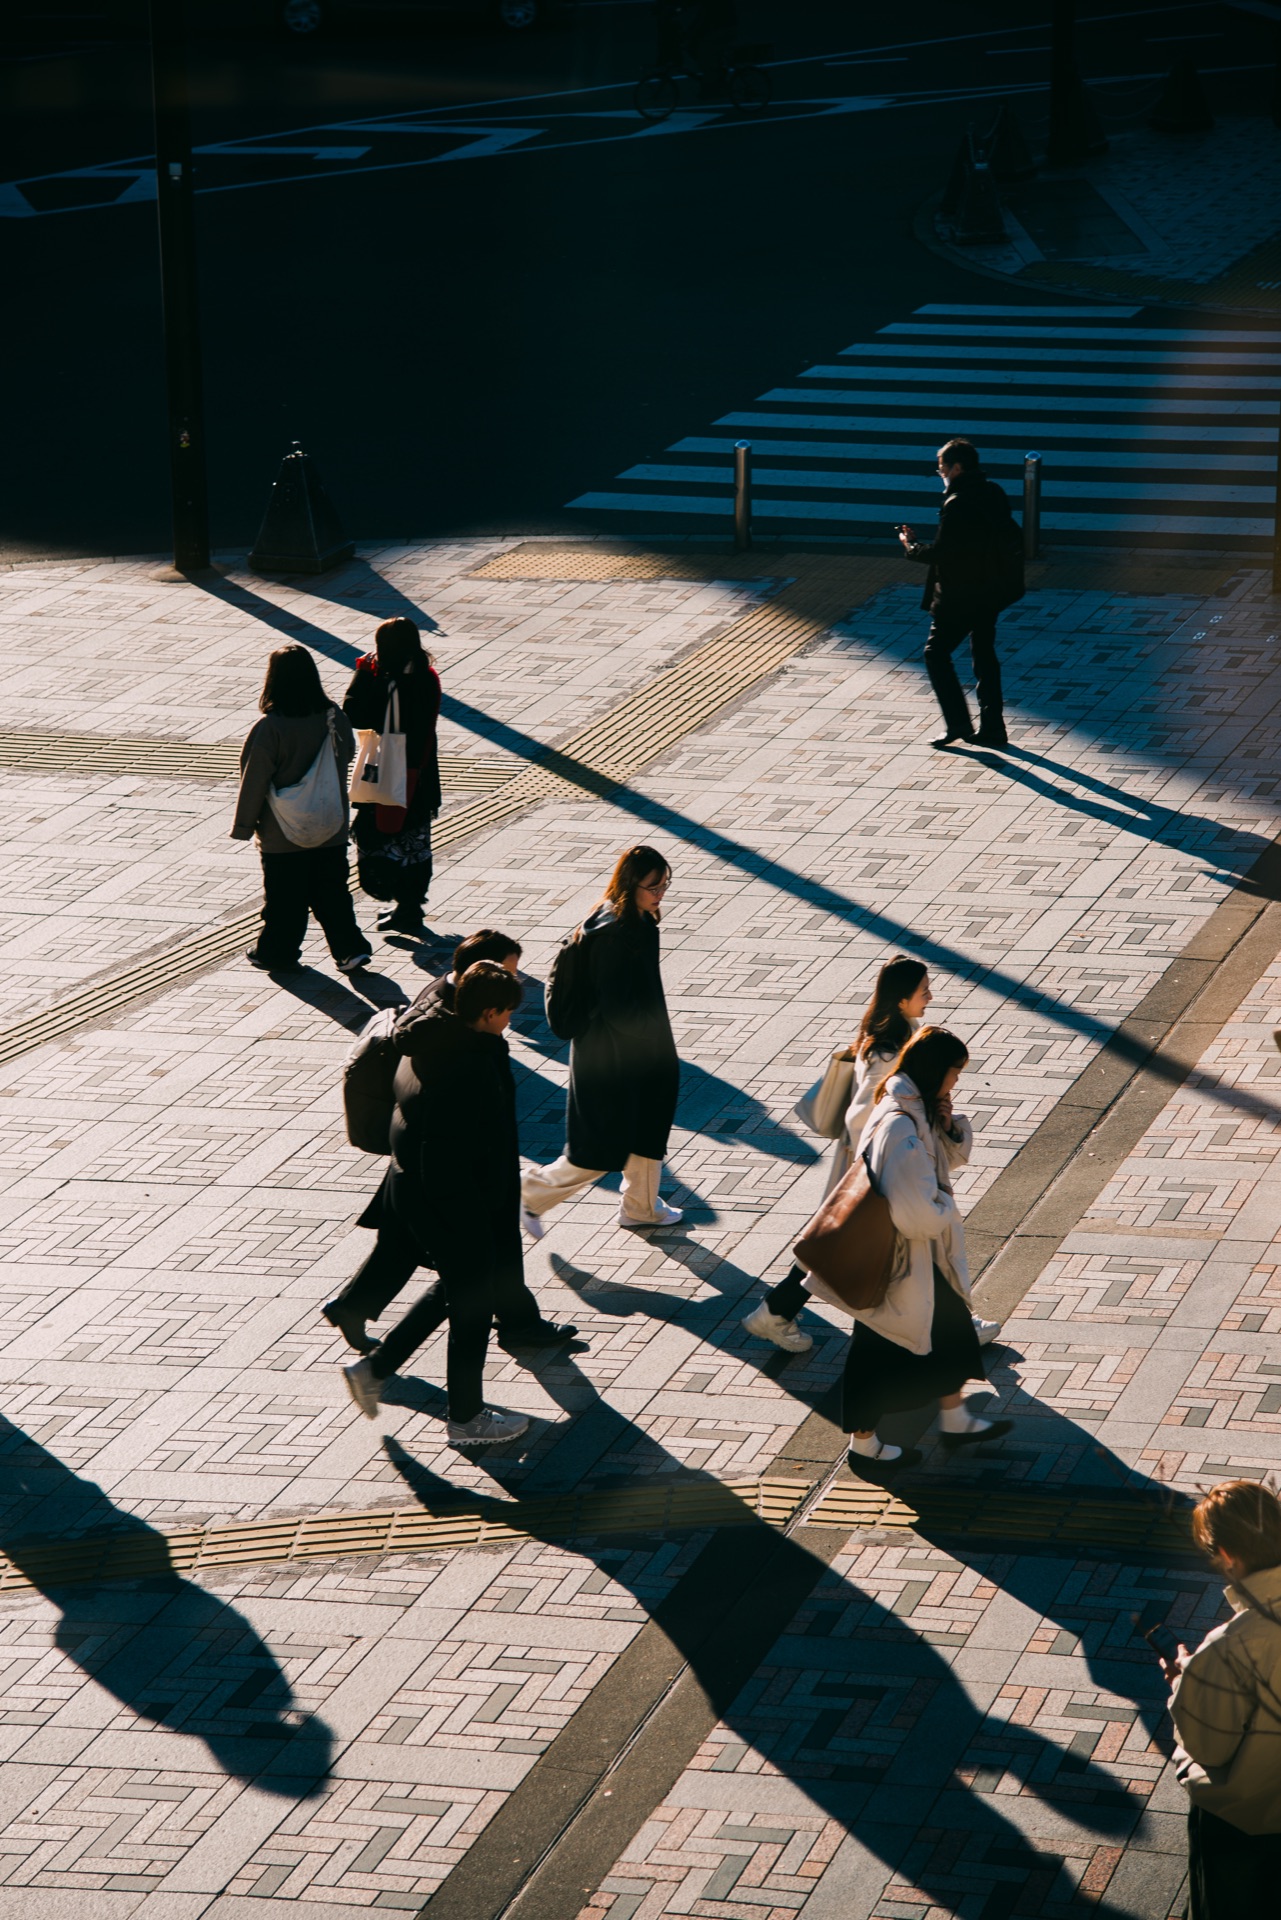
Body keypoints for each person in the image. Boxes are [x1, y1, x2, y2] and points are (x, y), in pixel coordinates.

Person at [342, 962, 563, 1444]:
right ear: (487, 1011)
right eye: (506, 1013)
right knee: (471, 1308)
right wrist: (478, 1215)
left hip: (421, 1188)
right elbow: (453, 1149)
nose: (510, 1022)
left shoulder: (433, 1032)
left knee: (460, 1287)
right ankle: (466, 1419)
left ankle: (375, 1370)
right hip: (453, 1199)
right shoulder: (467, 1066)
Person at [744, 959, 1001, 1355]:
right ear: (901, 998)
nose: (930, 996)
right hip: (875, 1167)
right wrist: (896, 1153)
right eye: (923, 991)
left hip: (882, 1163)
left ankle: (775, 1313)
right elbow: (863, 1114)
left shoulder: (894, 1032)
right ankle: (952, 1327)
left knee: (844, 1247)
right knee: (862, 1247)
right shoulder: (887, 1050)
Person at [842, 1027, 1013, 1470]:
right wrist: (946, 1212)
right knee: (877, 1349)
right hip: (906, 1257)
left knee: (951, 1326)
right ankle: (865, 1445)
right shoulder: (900, 1123)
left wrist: (948, 1124)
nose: (956, 1081)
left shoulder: (913, 1109)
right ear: (936, 1069)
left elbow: (942, 1160)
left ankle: (954, 1417)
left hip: (916, 1255)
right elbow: (915, 1210)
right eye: (955, 1072)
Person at [521, 846, 682, 1235]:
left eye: (665, 884)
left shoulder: (632, 920)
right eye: (653, 886)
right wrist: (654, 1041)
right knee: (601, 1144)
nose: (660, 893)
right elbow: (617, 1005)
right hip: (613, 1055)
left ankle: (641, 1207)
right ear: (631, 883)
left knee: (645, 1128)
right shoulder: (616, 932)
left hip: (628, 1050)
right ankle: (531, 1193)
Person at [1162, 1480, 1281, 1916]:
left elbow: (1209, 1746)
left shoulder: (1230, 1646)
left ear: (1227, 1554)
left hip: (1250, 1824)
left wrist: (1183, 1682)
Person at [232, 643, 371, 976]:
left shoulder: (271, 728)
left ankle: (276, 952)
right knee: (333, 894)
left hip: (283, 832)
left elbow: (254, 778)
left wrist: (244, 826)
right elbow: (345, 756)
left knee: (284, 899)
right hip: (330, 825)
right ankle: (349, 951)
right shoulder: (333, 716)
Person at [899, 437, 1023, 751]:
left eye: (942, 468)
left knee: (935, 654)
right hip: (992, 588)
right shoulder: (993, 491)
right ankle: (993, 726)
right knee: (984, 655)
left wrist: (911, 546)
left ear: (956, 467)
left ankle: (957, 723)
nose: (939, 473)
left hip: (960, 594)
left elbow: (943, 553)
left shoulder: (957, 503)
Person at [343, 615, 442, 938]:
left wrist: (363, 673)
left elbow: (354, 713)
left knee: (379, 834)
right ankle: (410, 907)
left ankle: (397, 899)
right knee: (414, 838)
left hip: (387, 771)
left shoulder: (387, 683)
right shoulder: (427, 678)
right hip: (420, 773)